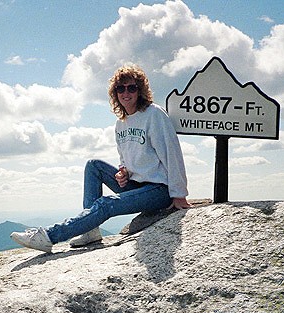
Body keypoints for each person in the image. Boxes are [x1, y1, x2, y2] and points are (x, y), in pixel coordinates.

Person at [11, 63, 192, 253]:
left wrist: (179, 193)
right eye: (120, 88)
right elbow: (126, 159)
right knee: (93, 166)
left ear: (140, 90)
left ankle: (48, 236)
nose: (126, 93)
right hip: (136, 185)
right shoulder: (121, 124)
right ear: (115, 93)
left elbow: (172, 153)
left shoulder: (153, 114)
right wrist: (123, 173)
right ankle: (90, 231)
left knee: (106, 204)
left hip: (158, 190)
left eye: (131, 87)